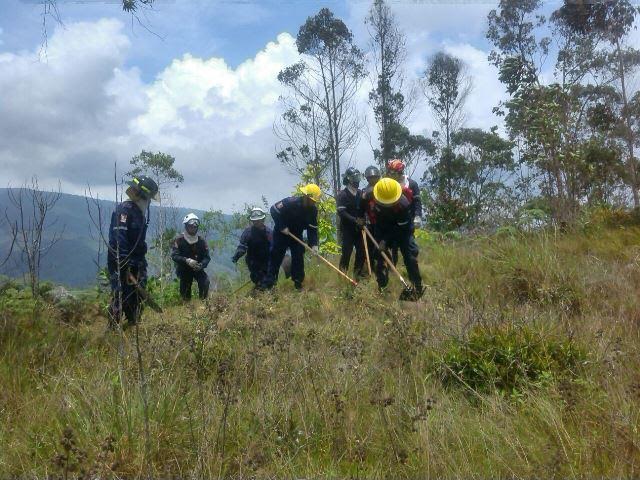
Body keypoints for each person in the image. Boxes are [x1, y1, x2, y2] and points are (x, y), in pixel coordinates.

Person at [107, 175, 159, 328]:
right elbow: (119, 237)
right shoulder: (124, 210)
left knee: (136, 295)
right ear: (142, 195)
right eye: (148, 198)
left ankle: (133, 325)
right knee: (121, 294)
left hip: (137, 260)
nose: (149, 201)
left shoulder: (139, 213)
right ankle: (113, 330)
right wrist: (123, 262)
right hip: (121, 260)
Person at [263, 184, 321, 290]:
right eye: (312, 200)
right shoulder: (290, 202)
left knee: (298, 257)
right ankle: (269, 284)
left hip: (296, 234)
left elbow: (312, 228)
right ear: (306, 197)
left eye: (314, 201)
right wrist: (282, 226)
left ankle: (298, 283)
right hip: (281, 233)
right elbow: (274, 210)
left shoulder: (313, 211)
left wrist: (314, 245)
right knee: (276, 256)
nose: (313, 203)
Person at [372, 177, 423, 294]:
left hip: (403, 231)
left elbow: (399, 228)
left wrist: (385, 240)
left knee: (410, 257)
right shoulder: (375, 197)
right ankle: (382, 287)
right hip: (383, 229)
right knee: (378, 255)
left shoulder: (404, 205)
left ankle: (417, 287)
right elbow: (378, 222)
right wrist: (380, 240)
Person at [386, 159, 422, 262]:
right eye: (390, 172)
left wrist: (417, 216)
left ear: (400, 172)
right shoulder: (389, 184)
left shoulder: (412, 184)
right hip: (393, 220)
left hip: (408, 220)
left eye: (393, 172)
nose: (391, 174)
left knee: (411, 246)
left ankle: (411, 264)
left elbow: (417, 202)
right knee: (393, 246)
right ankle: (393, 269)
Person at [171, 213, 211, 301]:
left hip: (198, 268)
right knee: (185, 292)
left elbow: (207, 257)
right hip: (184, 269)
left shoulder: (201, 241)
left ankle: (203, 303)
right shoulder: (179, 240)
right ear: (186, 226)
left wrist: (202, 265)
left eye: (195, 227)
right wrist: (186, 260)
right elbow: (174, 256)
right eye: (191, 226)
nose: (193, 229)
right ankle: (187, 307)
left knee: (205, 282)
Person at [232, 207, 273, 289]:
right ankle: (260, 293)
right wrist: (236, 256)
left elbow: (274, 247)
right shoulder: (248, 232)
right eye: (254, 221)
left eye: (258, 220)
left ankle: (264, 293)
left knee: (270, 280)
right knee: (259, 279)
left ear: (262, 220)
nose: (256, 222)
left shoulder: (269, 232)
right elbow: (242, 246)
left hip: (267, 260)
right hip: (253, 261)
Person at [337, 167, 366, 279]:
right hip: (347, 230)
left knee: (361, 252)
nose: (357, 180)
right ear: (349, 179)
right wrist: (355, 220)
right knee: (346, 253)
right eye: (355, 178)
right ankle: (342, 276)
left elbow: (364, 209)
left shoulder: (360, 193)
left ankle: (357, 276)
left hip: (359, 230)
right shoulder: (342, 195)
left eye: (358, 177)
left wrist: (363, 220)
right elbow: (342, 212)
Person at [361, 165, 381, 272]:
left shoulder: (383, 187)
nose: (373, 179)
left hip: (382, 222)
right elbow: (362, 206)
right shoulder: (365, 191)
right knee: (369, 248)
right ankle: (371, 269)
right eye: (371, 178)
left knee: (382, 246)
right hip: (369, 223)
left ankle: (386, 267)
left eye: (375, 177)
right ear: (367, 179)